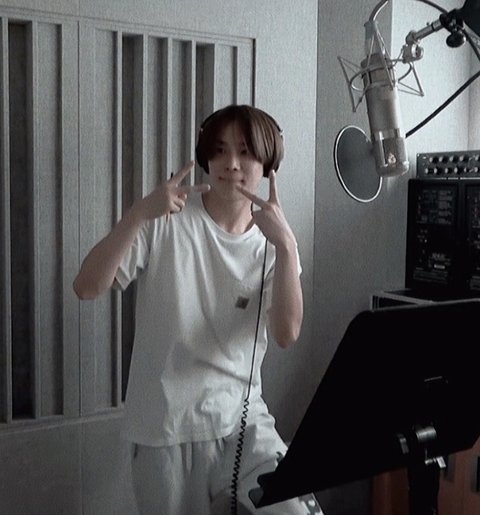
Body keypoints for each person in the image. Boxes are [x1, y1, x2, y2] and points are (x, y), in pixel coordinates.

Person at [73, 104, 323, 515]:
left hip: (243, 422)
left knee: (296, 510)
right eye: (220, 150)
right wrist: (138, 214)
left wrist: (287, 245)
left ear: (269, 163)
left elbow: (285, 333)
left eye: (245, 152)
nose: (231, 163)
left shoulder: (273, 240)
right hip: (166, 428)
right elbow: (86, 287)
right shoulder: (165, 220)